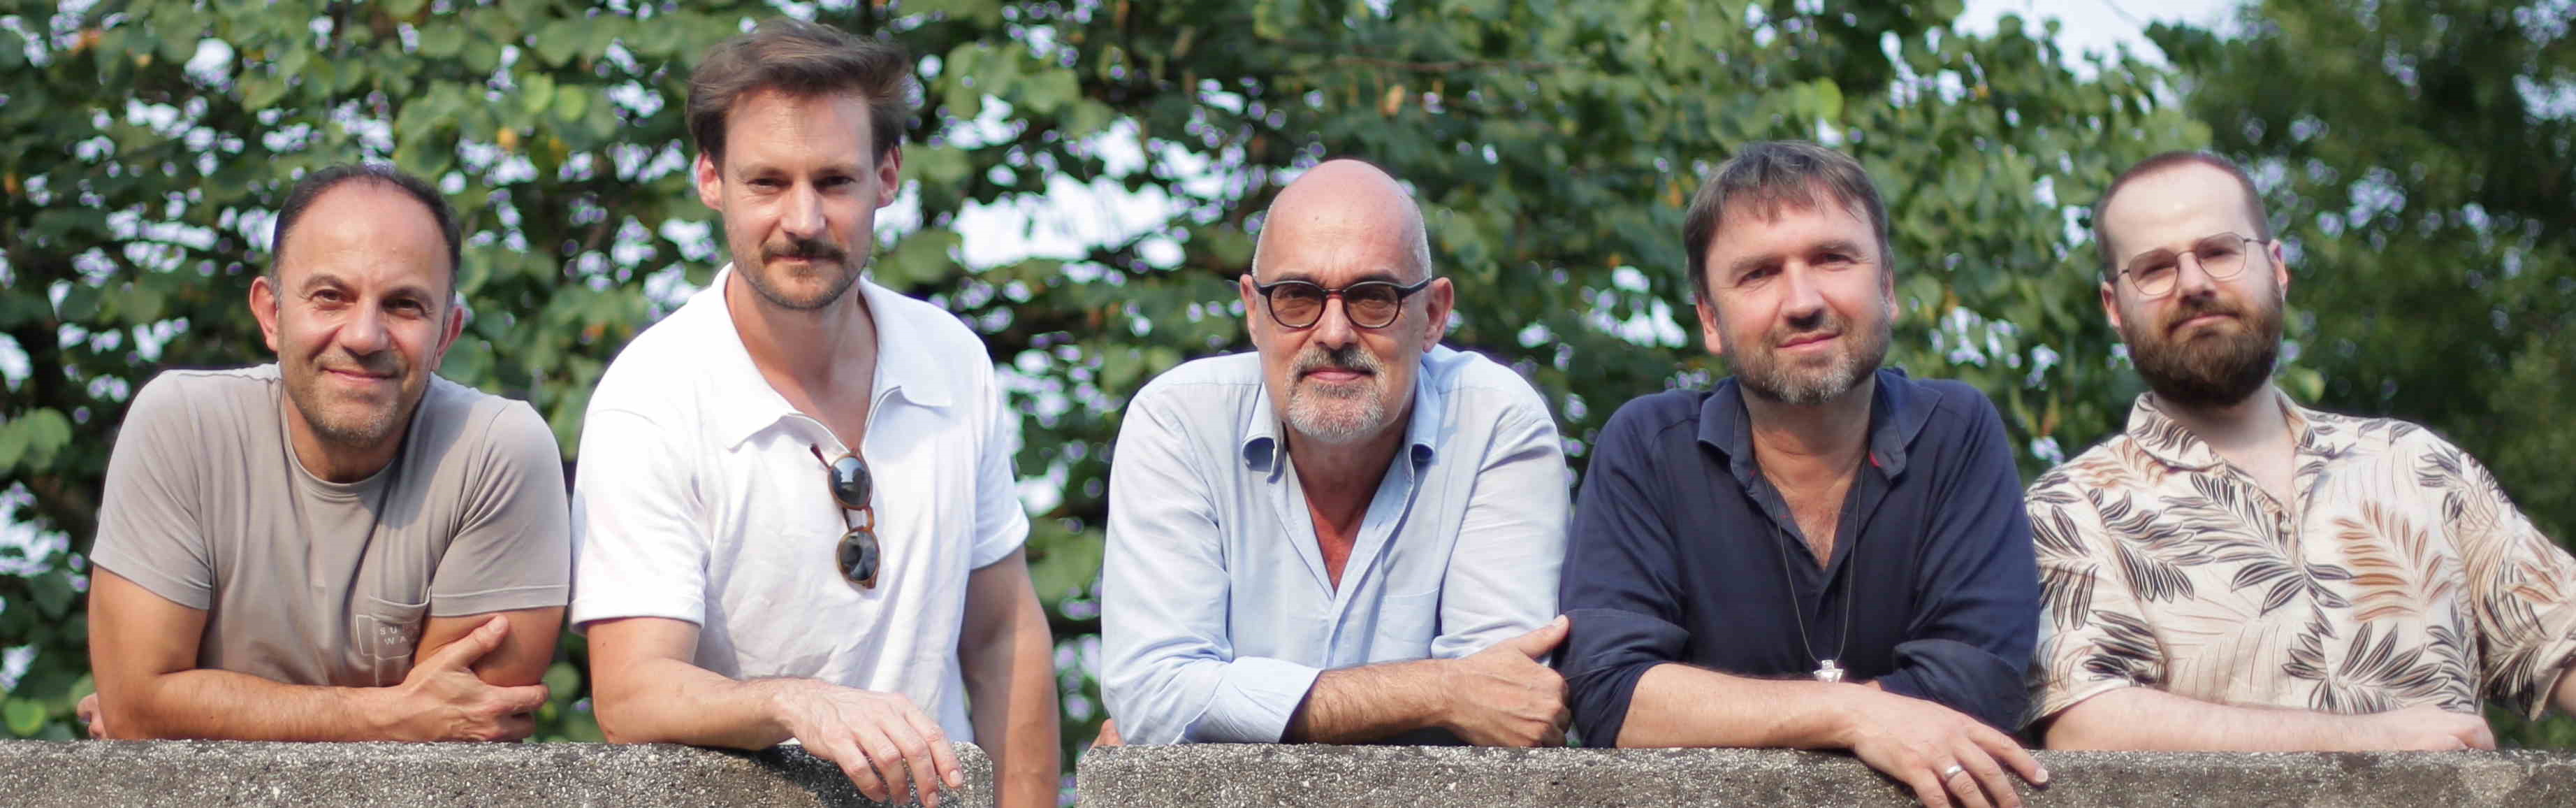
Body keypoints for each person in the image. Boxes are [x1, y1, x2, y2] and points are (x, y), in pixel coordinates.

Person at [569, 18, 1056, 808]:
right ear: (711, 180)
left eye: (833, 181)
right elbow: (631, 693)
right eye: (767, 182)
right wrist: (797, 703)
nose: (802, 220)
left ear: (887, 176)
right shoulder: (649, 397)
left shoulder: (954, 358)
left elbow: (1003, 635)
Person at [2025, 151, 2576, 751]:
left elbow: (2562, 638)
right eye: (2154, 268)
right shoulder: (2069, 508)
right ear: (2113, 307)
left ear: (2277, 267)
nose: (2193, 283)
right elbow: (2085, 724)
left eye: (2218, 252)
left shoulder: (2417, 466)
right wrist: (2370, 739)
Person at [1557, 141, 2048, 808]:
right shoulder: (1647, 446)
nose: (1802, 301)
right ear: (1710, 320)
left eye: (1832, 258)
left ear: (1887, 288)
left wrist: (1716, 713)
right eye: (1758, 274)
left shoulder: (1956, 431)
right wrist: (1854, 715)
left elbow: (1978, 686)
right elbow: (1610, 695)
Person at [82, 164, 569, 742]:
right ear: (271, 314)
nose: (364, 335)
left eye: (403, 305)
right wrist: (389, 714)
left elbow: (461, 739)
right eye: (330, 297)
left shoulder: (496, 451)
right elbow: (139, 707)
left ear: (445, 335)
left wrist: (195, 706)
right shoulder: (182, 424)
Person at [1098, 159, 1572, 747]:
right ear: (1253, 311)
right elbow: (1153, 698)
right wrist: (1443, 690)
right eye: (1297, 298)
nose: (1333, 333)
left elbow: (1507, 709)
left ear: (1432, 315)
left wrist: (1216, 711)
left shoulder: (1495, 423)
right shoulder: (1179, 422)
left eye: (1372, 298)